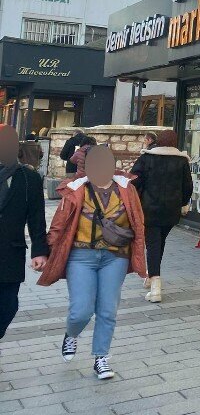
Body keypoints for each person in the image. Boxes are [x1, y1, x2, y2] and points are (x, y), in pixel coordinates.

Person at [39, 145, 147, 380]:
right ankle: (71, 334)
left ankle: (101, 357)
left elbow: (138, 222)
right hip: (81, 255)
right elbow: (59, 224)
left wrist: (141, 256)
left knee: (107, 310)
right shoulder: (76, 189)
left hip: (115, 256)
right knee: (81, 311)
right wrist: (45, 252)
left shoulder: (126, 188)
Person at [0, 125, 49, 341]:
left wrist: (39, 251)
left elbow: (37, 218)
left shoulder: (29, 178)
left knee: (8, 305)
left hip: (10, 253)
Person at [131, 130, 192, 303]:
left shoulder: (147, 158)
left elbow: (134, 181)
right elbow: (187, 186)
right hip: (171, 210)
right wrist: (183, 203)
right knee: (159, 242)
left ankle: (155, 286)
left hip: (149, 209)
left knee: (153, 244)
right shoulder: (181, 161)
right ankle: (151, 276)